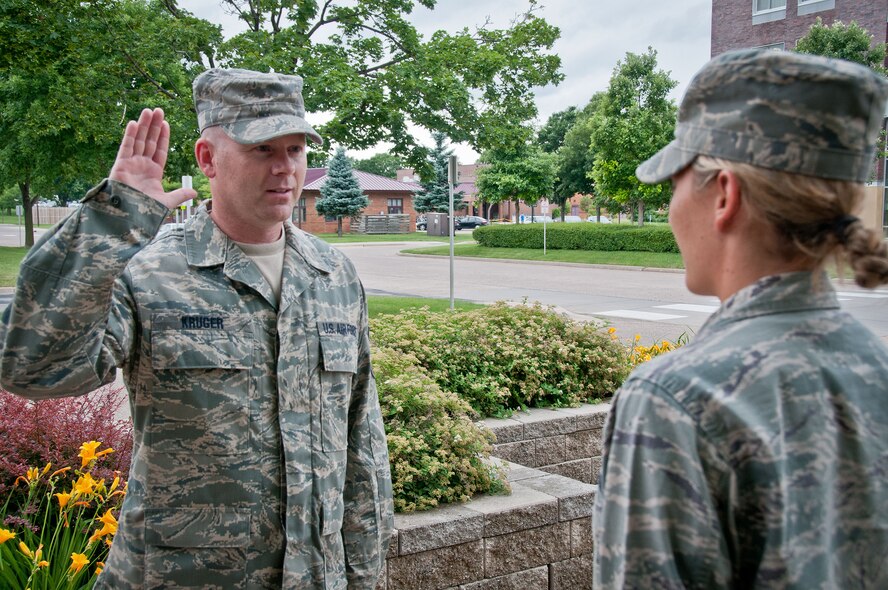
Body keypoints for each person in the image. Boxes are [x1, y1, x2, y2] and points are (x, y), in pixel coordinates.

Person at [0, 68, 393, 589]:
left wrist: (364, 574)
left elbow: (361, 442)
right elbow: (33, 369)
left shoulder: (333, 273)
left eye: (295, 150)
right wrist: (112, 222)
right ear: (207, 158)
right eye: (262, 150)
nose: (285, 169)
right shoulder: (145, 270)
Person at [593, 48, 888, 589]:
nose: (670, 209)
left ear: (724, 193)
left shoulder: (675, 398)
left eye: (674, 182)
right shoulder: (876, 367)